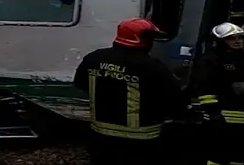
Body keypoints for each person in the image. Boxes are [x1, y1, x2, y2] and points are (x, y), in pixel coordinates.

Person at [73, 18, 182, 165]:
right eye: (150, 38)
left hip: (101, 135)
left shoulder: (94, 58)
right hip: (142, 139)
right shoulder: (151, 66)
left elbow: (80, 84)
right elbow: (173, 96)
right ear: (140, 39)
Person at [193, 22, 244, 165]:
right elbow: (204, 88)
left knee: (240, 158)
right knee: (218, 157)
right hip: (222, 119)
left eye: (240, 38)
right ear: (220, 41)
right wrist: (214, 114)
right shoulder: (210, 60)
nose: (238, 41)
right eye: (232, 38)